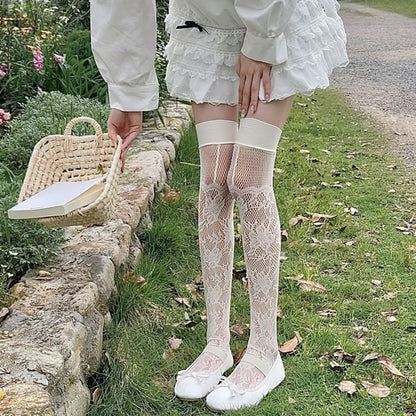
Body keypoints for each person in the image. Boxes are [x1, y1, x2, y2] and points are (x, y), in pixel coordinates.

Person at [90, 0, 348, 411]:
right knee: (213, 182)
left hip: (272, 16)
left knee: (247, 179)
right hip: (205, 29)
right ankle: (217, 344)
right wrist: (127, 93)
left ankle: (265, 351)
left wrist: (261, 42)